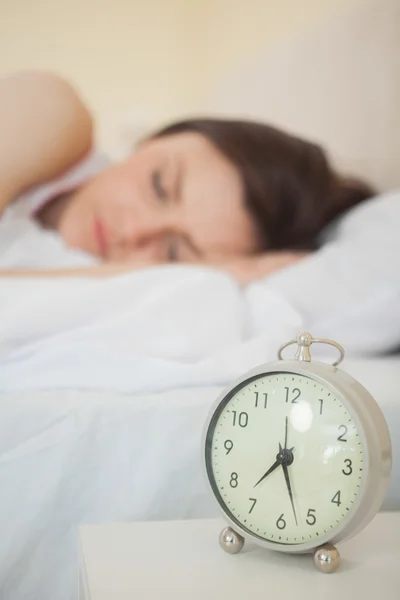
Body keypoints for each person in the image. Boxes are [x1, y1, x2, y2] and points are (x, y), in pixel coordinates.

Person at [0, 71, 374, 284]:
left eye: (174, 252)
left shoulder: (107, 298)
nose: (134, 232)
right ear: (152, 140)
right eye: (159, 186)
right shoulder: (53, 114)